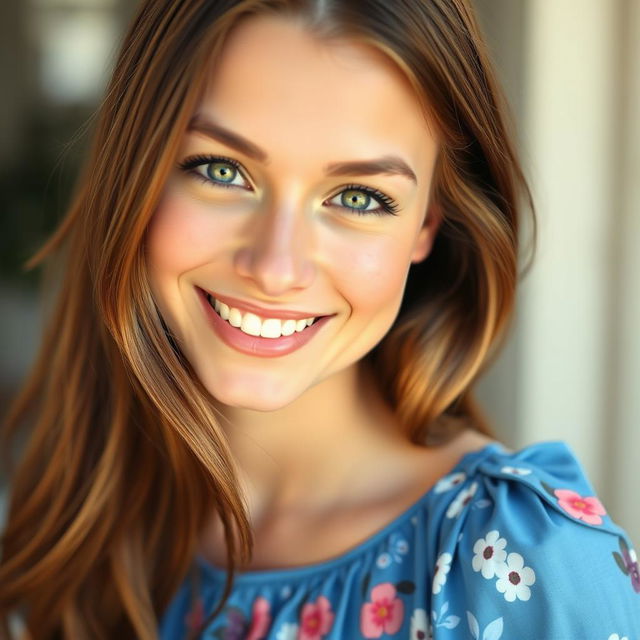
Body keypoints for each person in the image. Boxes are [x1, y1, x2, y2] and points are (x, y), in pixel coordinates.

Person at [1, 0, 638, 638]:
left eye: (358, 198)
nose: (276, 267)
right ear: (134, 178)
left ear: (426, 225)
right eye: (221, 171)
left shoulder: (527, 564)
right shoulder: (88, 537)